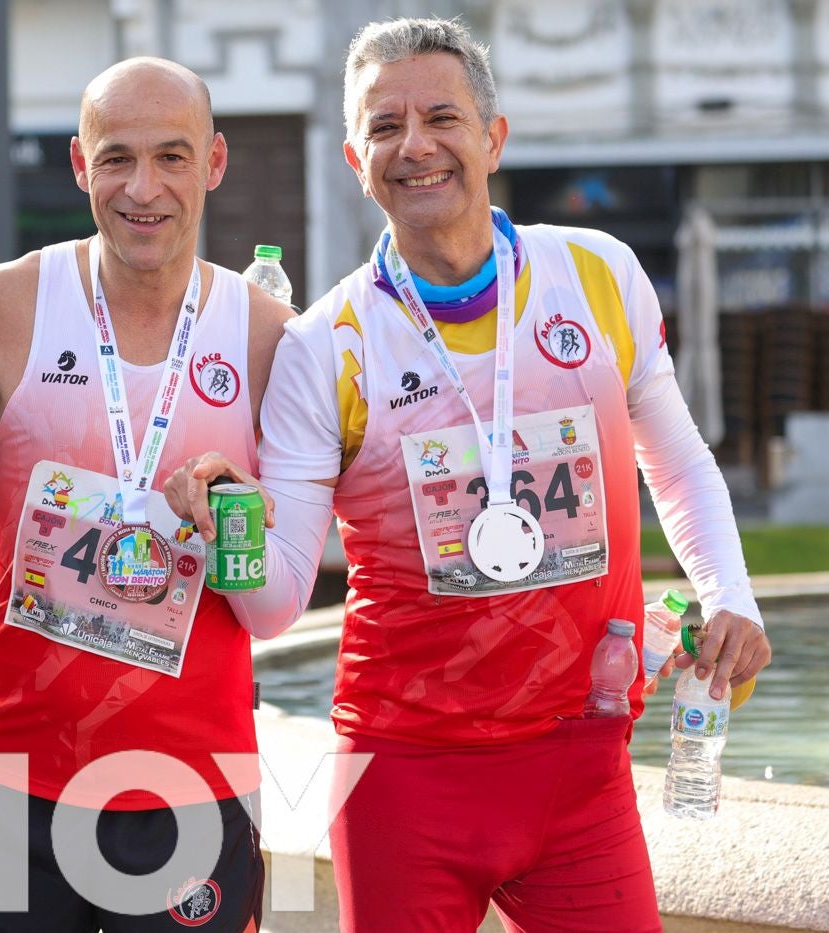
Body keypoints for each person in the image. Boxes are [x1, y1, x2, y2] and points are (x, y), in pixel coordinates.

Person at [163, 17, 772, 933]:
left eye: (442, 116)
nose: (414, 146)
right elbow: (279, 603)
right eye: (383, 127)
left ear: (493, 137)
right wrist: (229, 530)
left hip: (581, 766)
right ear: (353, 158)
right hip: (407, 774)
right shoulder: (324, 345)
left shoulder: (599, 275)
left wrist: (732, 592)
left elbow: (676, 459)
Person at [0, 57, 294, 932]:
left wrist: (243, 511)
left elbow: (296, 563)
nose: (144, 188)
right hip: (14, 770)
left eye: (172, 156)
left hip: (189, 780)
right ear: (80, 164)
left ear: (215, 162)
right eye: (116, 158)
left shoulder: (271, 336)